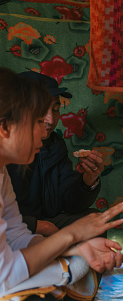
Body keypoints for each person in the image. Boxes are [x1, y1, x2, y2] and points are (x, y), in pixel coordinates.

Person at [0, 67, 123, 299]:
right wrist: (70, 237)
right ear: (6, 126)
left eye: (54, 110)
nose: (47, 125)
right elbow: (4, 274)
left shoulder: (4, 171)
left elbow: (17, 235)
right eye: (38, 119)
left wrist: (79, 248)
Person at [6, 71, 104, 236]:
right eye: (41, 110)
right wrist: (35, 226)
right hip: (13, 227)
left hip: (47, 222)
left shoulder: (54, 144)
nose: (50, 120)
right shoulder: (6, 149)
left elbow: (68, 202)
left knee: (95, 220)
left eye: (56, 109)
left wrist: (88, 182)